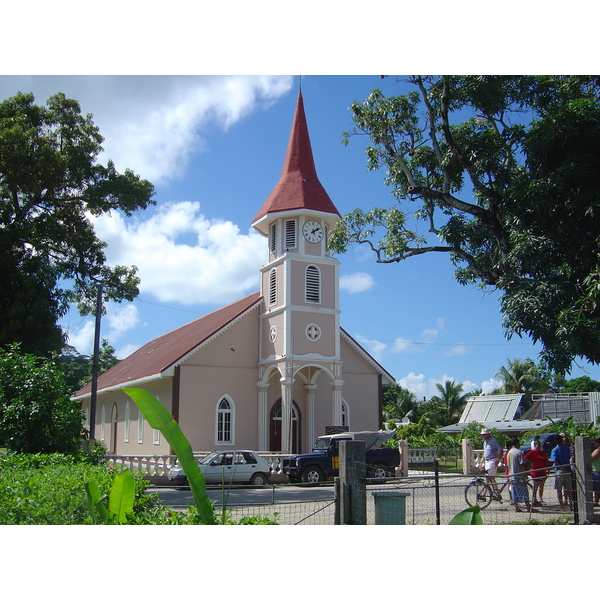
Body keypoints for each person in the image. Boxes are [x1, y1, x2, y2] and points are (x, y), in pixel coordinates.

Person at [506, 437, 533, 513]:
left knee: (514, 492)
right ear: (517, 443)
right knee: (524, 491)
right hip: (519, 475)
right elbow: (522, 465)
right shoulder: (519, 452)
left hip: (512, 475)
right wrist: (525, 475)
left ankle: (516, 507)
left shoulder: (509, 453)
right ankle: (528, 507)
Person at [478, 428, 503, 500]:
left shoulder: (493, 440)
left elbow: (500, 450)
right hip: (487, 461)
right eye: (482, 435)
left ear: (488, 434)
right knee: (488, 479)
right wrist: (481, 462)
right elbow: (485, 453)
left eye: (484, 435)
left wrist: (498, 460)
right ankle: (488, 494)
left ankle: (492, 493)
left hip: (492, 460)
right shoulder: (485, 442)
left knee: (490, 478)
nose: (483, 436)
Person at [550, 435, 573, 510]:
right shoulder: (567, 448)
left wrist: (561, 466)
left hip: (559, 471)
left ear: (555, 441)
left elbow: (555, 460)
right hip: (568, 470)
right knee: (569, 489)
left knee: (559, 489)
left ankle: (561, 506)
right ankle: (570, 505)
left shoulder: (554, 450)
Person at [524, 440, 549, 506]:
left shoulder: (542, 452)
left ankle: (540, 498)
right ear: (535, 446)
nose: (539, 446)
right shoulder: (532, 452)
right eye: (538, 445)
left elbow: (545, 460)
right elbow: (525, 457)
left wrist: (547, 469)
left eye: (540, 445)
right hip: (535, 471)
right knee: (536, 485)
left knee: (542, 485)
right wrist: (531, 462)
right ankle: (534, 499)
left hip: (542, 471)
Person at [592, 436, 600, 507]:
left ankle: (596, 502)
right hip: (596, 472)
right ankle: (596, 501)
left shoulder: (598, 451)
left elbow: (590, 458)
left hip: (597, 472)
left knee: (598, 488)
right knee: (596, 488)